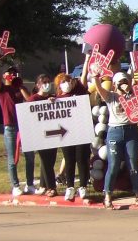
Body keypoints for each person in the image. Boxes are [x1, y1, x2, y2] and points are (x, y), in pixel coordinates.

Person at [92, 72, 138, 208]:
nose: (123, 84)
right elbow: (99, 89)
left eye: (125, 81)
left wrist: (132, 90)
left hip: (131, 131)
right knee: (113, 165)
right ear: (115, 84)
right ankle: (108, 195)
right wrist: (96, 78)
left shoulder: (134, 96)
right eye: (120, 82)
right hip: (115, 132)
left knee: (132, 164)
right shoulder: (111, 97)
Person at [0, 60, 32, 197]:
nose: (12, 75)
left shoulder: (19, 88)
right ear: (4, 76)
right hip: (10, 127)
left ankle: (30, 184)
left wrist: (20, 86)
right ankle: (15, 185)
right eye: (10, 73)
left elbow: (30, 100)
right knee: (12, 158)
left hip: (23, 126)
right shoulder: (2, 90)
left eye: (14, 73)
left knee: (30, 156)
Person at [56, 72, 92, 201]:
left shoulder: (80, 93)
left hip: (81, 131)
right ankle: (70, 187)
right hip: (66, 134)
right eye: (63, 82)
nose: (66, 84)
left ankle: (83, 186)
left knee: (82, 160)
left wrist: (87, 61)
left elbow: (83, 81)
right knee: (69, 160)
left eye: (68, 81)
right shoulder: (57, 98)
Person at [25, 74, 58, 197]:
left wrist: (53, 102)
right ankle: (52, 187)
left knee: (51, 160)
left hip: (53, 134)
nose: (47, 84)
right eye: (44, 82)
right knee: (45, 161)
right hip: (40, 136)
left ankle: (43, 186)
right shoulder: (33, 99)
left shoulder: (53, 97)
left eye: (48, 82)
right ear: (37, 85)